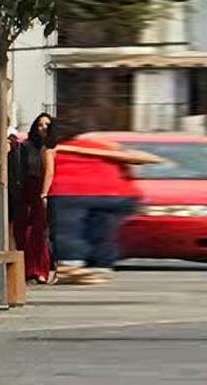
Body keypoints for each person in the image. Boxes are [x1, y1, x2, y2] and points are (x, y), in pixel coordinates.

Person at [42, 120, 165, 285]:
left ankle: (70, 264)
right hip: (118, 193)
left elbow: (48, 172)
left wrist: (44, 193)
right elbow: (147, 159)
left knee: (68, 230)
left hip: (70, 191)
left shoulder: (53, 148)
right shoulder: (102, 145)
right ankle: (101, 266)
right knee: (104, 230)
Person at [11, 113, 53, 283]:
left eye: (47, 124)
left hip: (45, 191)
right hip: (28, 190)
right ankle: (27, 270)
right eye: (40, 124)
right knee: (24, 232)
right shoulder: (26, 147)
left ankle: (40, 270)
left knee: (39, 234)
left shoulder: (53, 147)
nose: (43, 127)